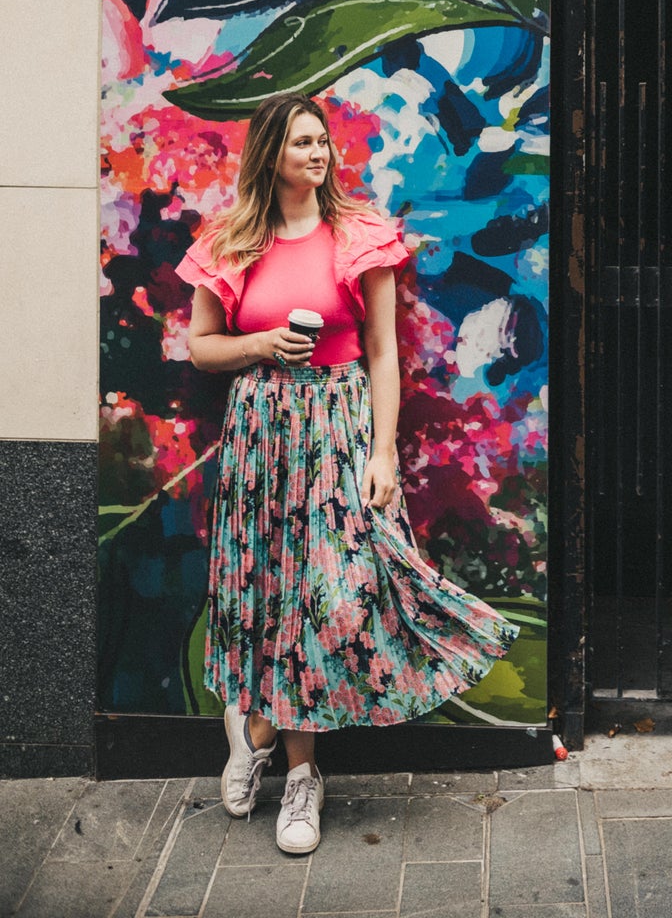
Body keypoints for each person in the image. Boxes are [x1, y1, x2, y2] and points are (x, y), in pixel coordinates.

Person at [179, 91, 517, 855]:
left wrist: (383, 450)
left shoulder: (357, 235)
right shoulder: (231, 240)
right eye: (301, 142)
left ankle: (259, 729)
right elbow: (201, 346)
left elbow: (382, 352)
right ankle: (302, 777)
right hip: (263, 434)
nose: (318, 152)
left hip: (337, 427)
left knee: (332, 598)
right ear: (271, 153)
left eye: (321, 139)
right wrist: (262, 344)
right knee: (271, 594)